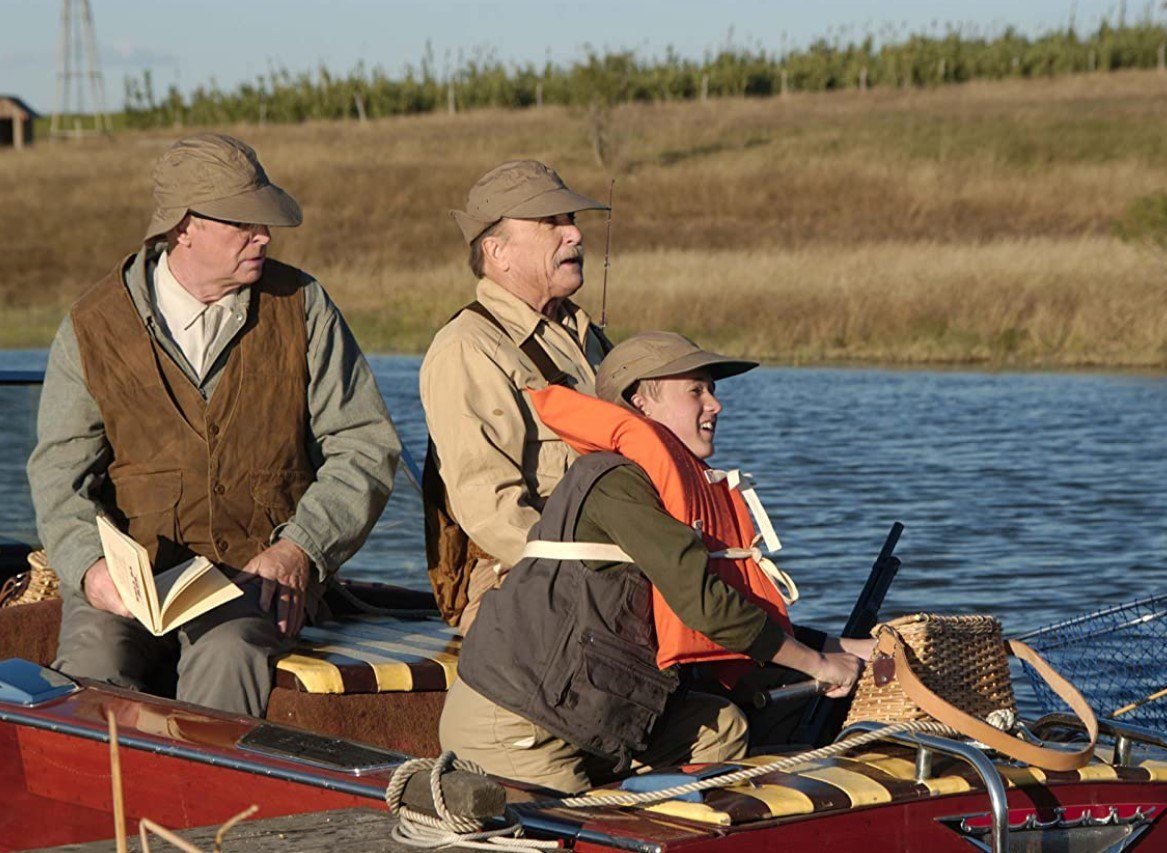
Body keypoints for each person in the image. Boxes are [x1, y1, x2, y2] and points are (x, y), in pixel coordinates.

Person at [27, 133, 401, 717]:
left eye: (265, 222)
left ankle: (201, 809)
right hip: (130, 583)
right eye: (244, 223)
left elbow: (365, 446)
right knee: (95, 663)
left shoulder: (303, 306)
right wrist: (90, 569)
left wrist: (300, 549)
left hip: (258, 580)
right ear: (183, 229)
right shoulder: (91, 326)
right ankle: (103, 806)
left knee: (227, 653)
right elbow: (58, 475)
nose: (265, 236)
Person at [440, 331, 873, 793]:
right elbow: (706, 609)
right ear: (640, 402)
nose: (715, 405)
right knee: (571, 834)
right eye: (696, 390)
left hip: (584, 705)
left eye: (712, 390)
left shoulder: (664, 484)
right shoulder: (616, 481)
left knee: (723, 729)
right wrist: (819, 665)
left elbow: (732, 609)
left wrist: (842, 646)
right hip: (521, 724)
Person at [420, 160, 611, 633]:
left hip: (609, 563)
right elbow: (492, 510)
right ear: (497, 251)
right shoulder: (467, 347)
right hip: (515, 581)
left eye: (572, 220)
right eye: (552, 223)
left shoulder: (586, 337)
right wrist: (599, 571)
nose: (574, 235)